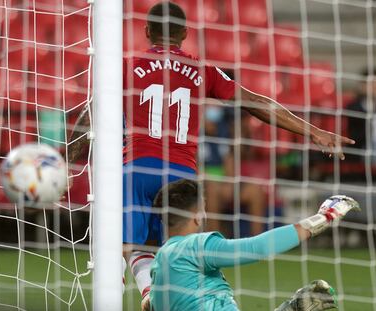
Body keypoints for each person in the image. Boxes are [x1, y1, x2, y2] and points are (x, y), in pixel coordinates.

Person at [68, 2, 355, 309]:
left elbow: (92, 114)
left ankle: (140, 295)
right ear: (186, 34)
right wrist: (312, 131)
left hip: (137, 167)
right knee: (179, 254)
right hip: (182, 173)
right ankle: (165, 298)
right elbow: (255, 101)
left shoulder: (127, 65)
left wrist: (69, 160)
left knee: (126, 246)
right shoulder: (201, 70)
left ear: (147, 31)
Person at [150, 179, 359, 311]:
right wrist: (324, 217)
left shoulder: (160, 262)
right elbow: (258, 247)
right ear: (197, 217)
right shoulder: (195, 246)